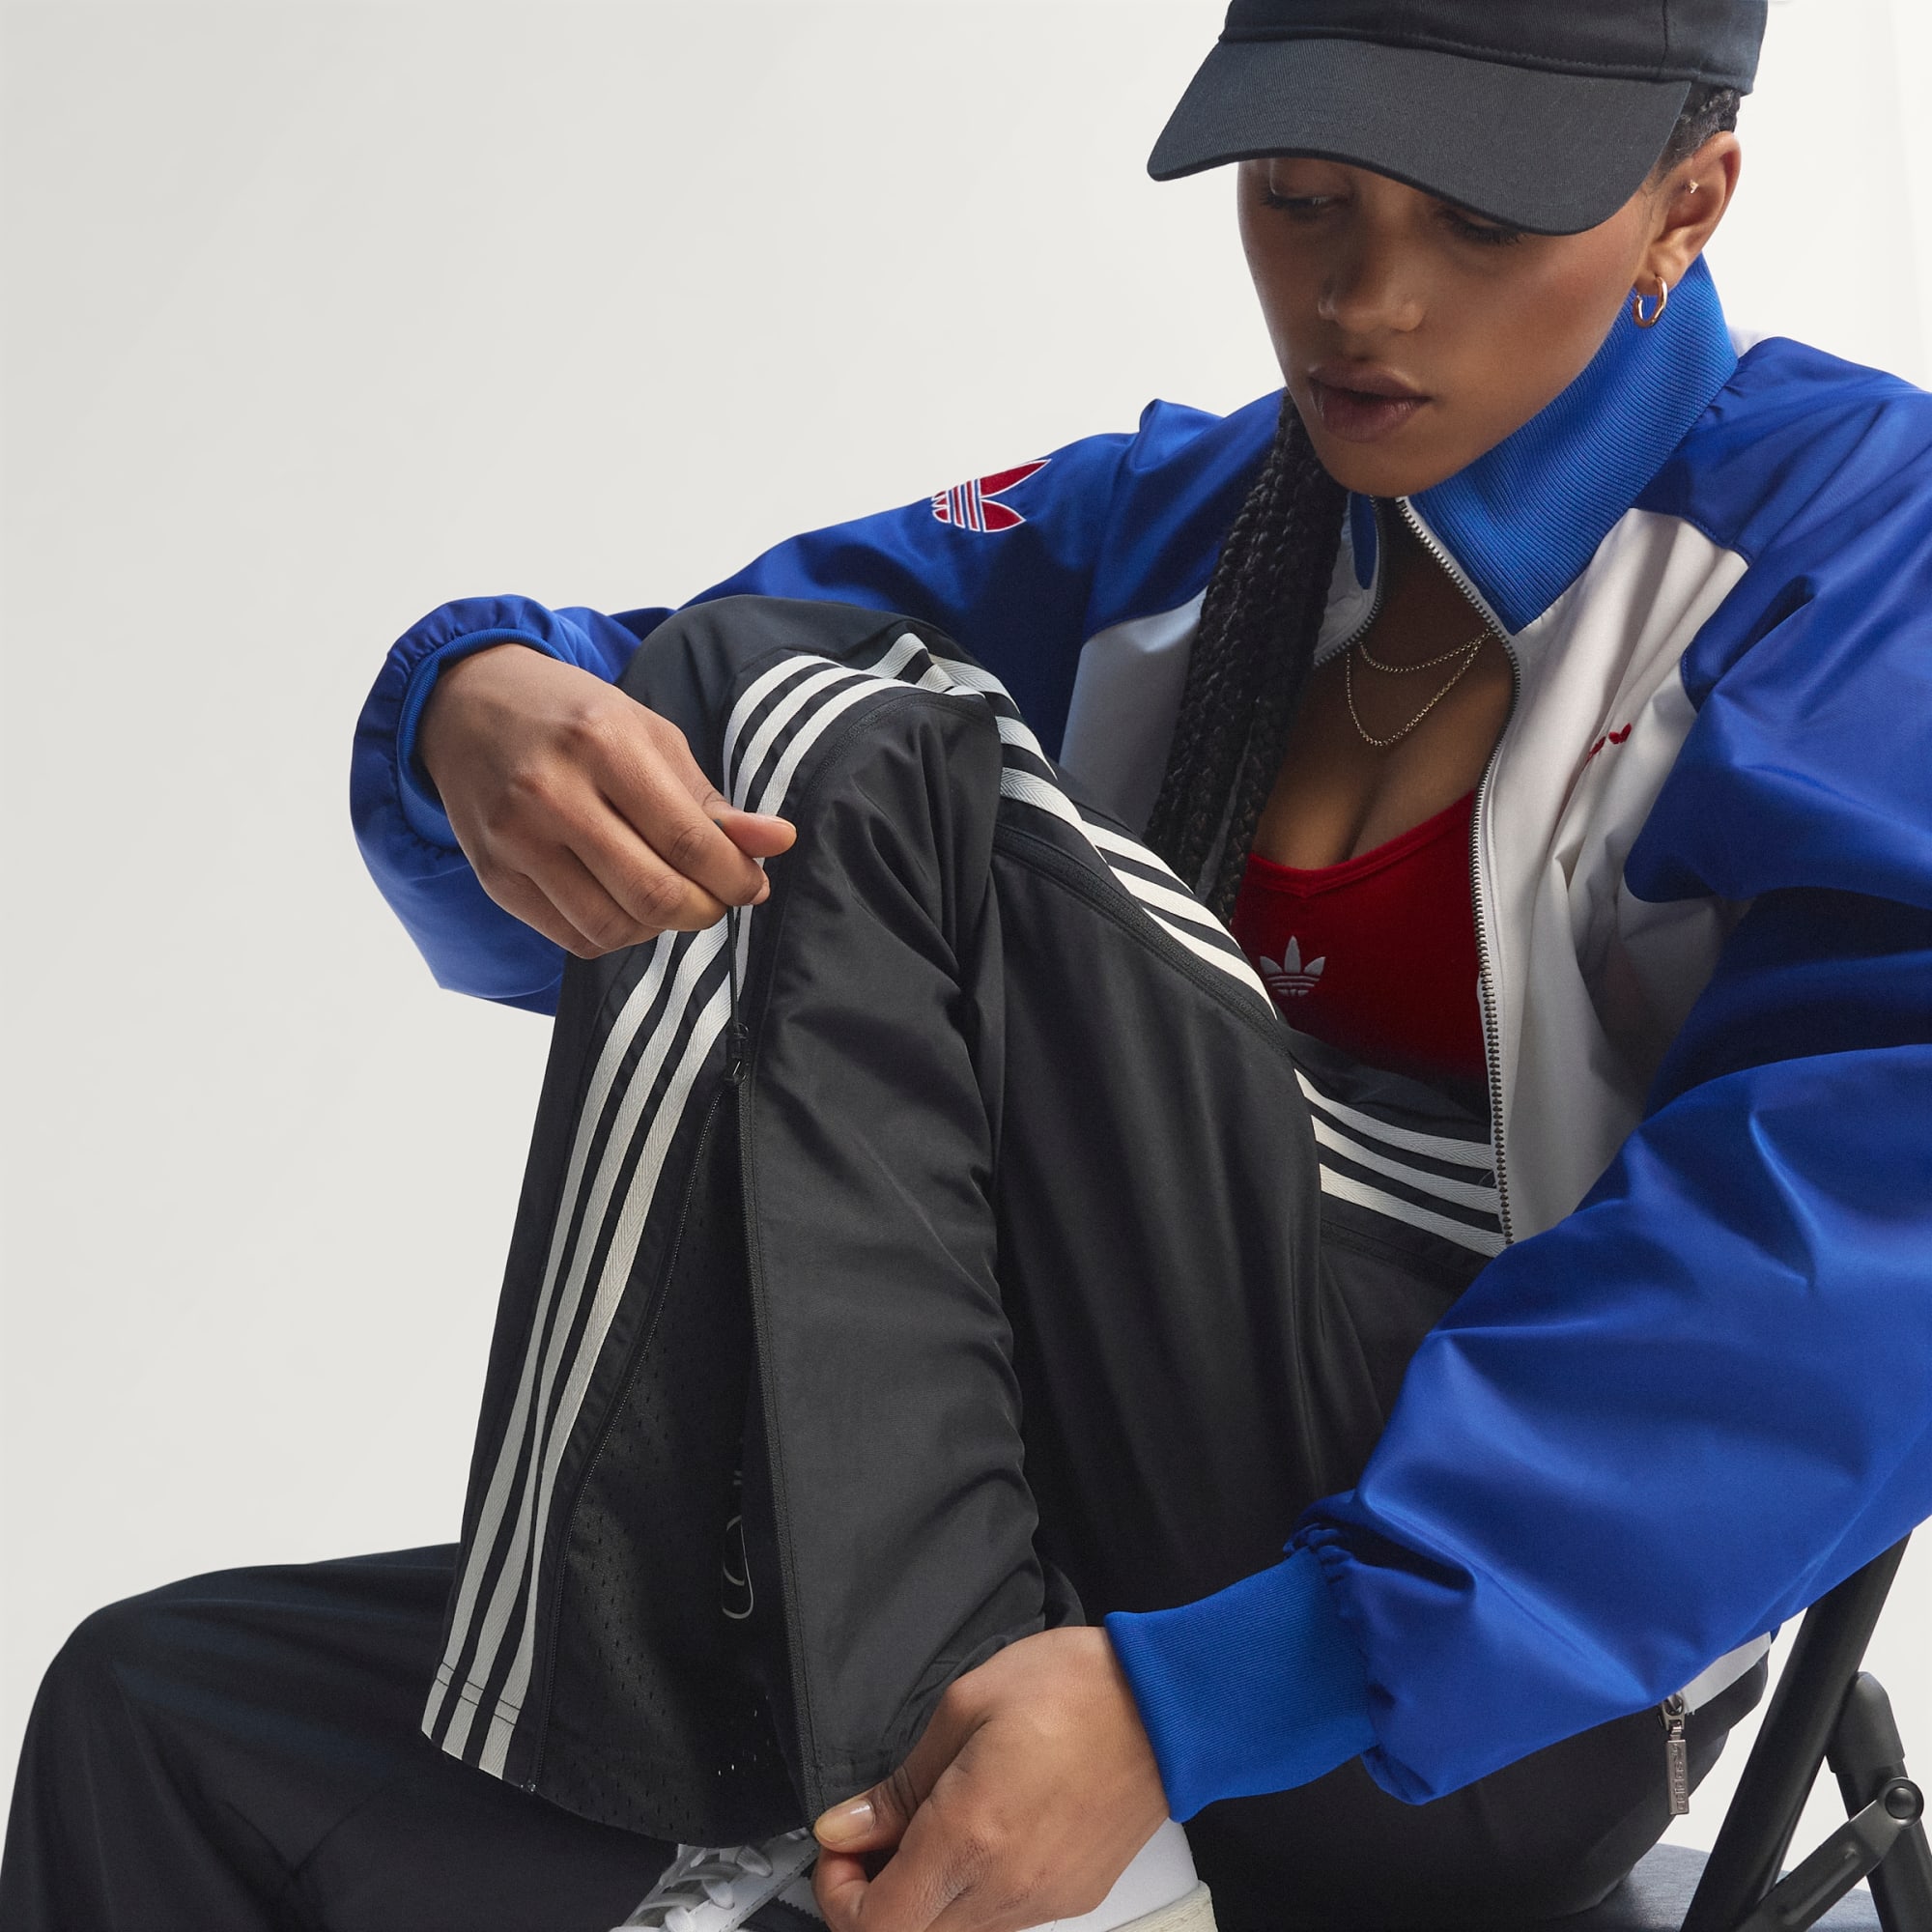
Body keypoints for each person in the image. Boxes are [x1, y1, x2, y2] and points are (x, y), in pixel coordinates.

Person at [8, 2, 1932, 1929]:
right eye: (1300, 198)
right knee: (158, 1717)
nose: (1365, 301)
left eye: (1482, 224)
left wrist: (1197, 1697)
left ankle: (907, 1809)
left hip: (1470, 1689)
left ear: (1691, 201)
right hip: (1049, 1568)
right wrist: (472, 704)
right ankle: (821, 1747)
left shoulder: (1853, 547)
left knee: (837, 741)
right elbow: (680, 754)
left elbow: (1848, 1247)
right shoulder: (1179, 530)